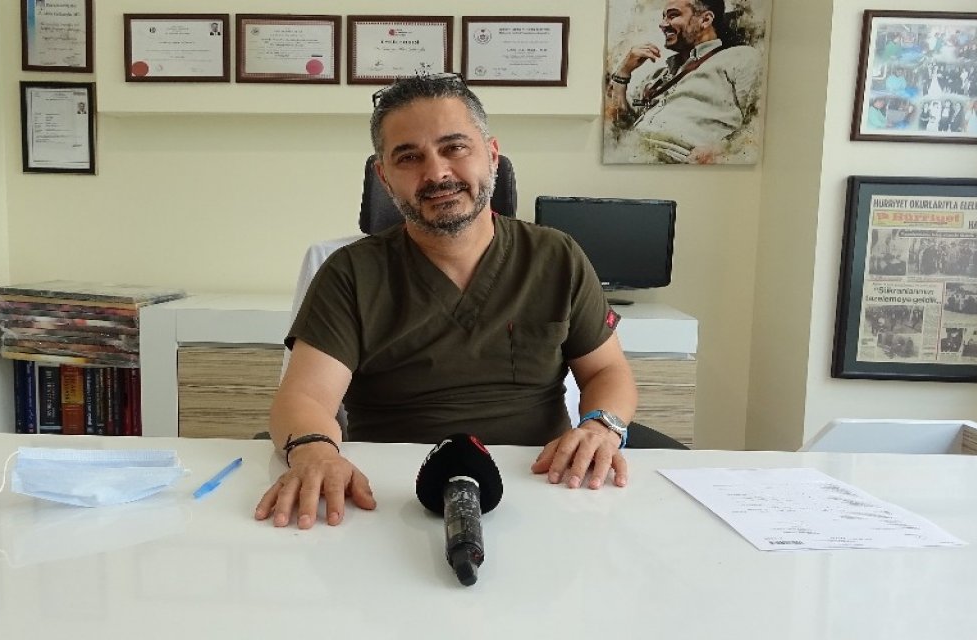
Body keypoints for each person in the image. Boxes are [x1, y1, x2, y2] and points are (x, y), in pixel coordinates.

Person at [255, 74, 640, 529]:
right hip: (390, 496)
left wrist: (601, 426)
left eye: (454, 147)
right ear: (384, 177)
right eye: (409, 157)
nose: (436, 173)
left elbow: (607, 371)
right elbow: (303, 397)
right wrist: (315, 451)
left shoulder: (556, 257)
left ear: (491, 156)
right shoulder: (351, 273)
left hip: (546, 484)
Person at [604, 0, 762, 163]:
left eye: (673, 15)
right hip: (628, 155)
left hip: (675, 160)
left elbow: (759, 122)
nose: (662, 24)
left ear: (705, 20)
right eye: (663, 17)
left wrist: (721, 149)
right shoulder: (657, 76)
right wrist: (623, 73)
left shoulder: (741, 57)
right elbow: (619, 127)